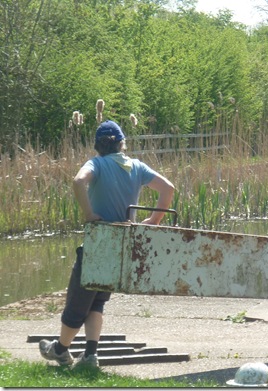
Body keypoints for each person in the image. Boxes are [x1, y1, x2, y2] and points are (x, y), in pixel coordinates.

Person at [39, 120, 175, 369]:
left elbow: (78, 181)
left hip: (99, 243)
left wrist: (89, 214)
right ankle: (90, 356)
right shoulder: (136, 166)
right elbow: (168, 188)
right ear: (122, 143)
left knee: (78, 299)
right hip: (122, 244)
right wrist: (154, 219)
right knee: (97, 301)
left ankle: (60, 349)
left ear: (98, 146)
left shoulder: (97, 163)